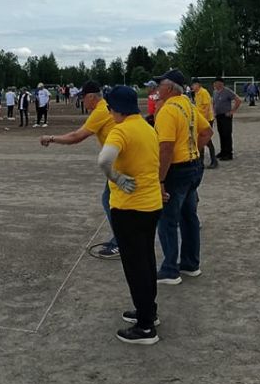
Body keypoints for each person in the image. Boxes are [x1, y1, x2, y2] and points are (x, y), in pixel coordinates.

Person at [89, 85, 164, 344]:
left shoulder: (120, 130)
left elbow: (103, 160)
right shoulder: (147, 127)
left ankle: (145, 328)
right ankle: (148, 311)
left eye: (110, 108)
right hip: (151, 204)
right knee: (147, 260)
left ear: (117, 109)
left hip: (129, 208)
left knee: (136, 267)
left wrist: (116, 177)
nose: (109, 112)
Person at [42, 82, 122, 258]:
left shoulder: (100, 111)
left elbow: (76, 137)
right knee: (110, 199)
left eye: (83, 97)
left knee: (110, 200)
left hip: (120, 163)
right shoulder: (106, 107)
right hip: (120, 160)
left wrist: (51, 138)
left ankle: (121, 242)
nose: (82, 101)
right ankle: (121, 238)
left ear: (91, 97)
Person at [152, 69, 211, 285]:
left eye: (160, 85)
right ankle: (190, 263)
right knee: (189, 217)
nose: (157, 89)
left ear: (169, 88)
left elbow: (166, 147)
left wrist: (160, 180)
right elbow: (207, 132)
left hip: (176, 171)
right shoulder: (188, 105)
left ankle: (170, 269)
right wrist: (193, 150)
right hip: (194, 166)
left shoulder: (168, 110)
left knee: (168, 220)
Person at [191, 80, 217, 168]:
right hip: (200, 119)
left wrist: (204, 120)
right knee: (200, 138)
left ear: (198, 84)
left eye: (193, 85)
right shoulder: (196, 93)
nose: (192, 87)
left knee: (207, 139)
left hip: (206, 119)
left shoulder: (203, 92)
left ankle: (214, 160)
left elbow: (206, 107)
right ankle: (201, 161)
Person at [211, 79, 238, 162]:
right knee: (221, 133)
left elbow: (238, 100)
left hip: (226, 116)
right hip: (218, 116)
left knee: (227, 134)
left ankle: (229, 153)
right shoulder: (215, 92)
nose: (215, 85)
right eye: (214, 83)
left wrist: (232, 111)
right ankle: (223, 151)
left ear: (221, 83)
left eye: (216, 83)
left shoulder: (227, 91)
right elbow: (213, 103)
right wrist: (214, 111)